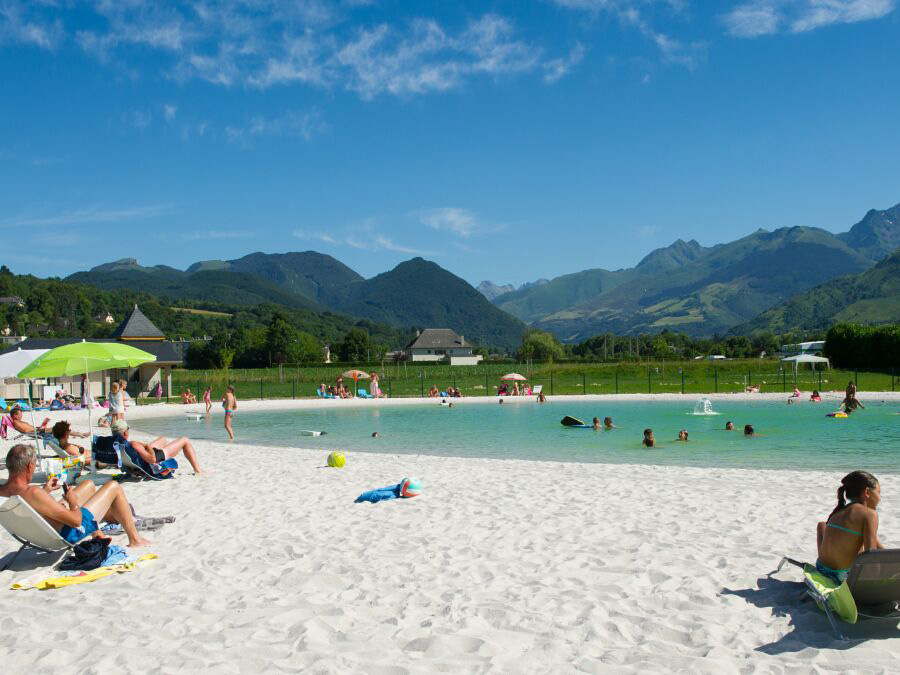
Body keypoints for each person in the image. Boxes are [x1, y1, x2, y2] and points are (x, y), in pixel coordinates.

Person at [0, 444, 150, 548]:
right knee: (114, 487)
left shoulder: (4, 492)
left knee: (89, 485)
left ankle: (97, 535)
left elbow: (27, 505)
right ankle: (135, 539)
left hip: (37, 533)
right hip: (66, 534)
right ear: (30, 466)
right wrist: (73, 503)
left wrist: (45, 491)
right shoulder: (33, 492)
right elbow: (76, 521)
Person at [816, 470, 883, 584]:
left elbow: (876, 544)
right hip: (842, 576)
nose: (880, 498)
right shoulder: (869, 514)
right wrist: (876, 582)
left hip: (822, 569)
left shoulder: (839, 511)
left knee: (823, 525)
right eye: (879, 492)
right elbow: (870, 554)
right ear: (867, 492)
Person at [111, 420, 205, 475]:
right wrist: (147, 446)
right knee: (185, 440)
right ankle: (198, 470)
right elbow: (152, 459)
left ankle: (171, 449)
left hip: (141, 456)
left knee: (162, 439)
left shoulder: (115, 445)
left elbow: (119, 462)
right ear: (125, 433)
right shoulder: (133, 444)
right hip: (155, 457)